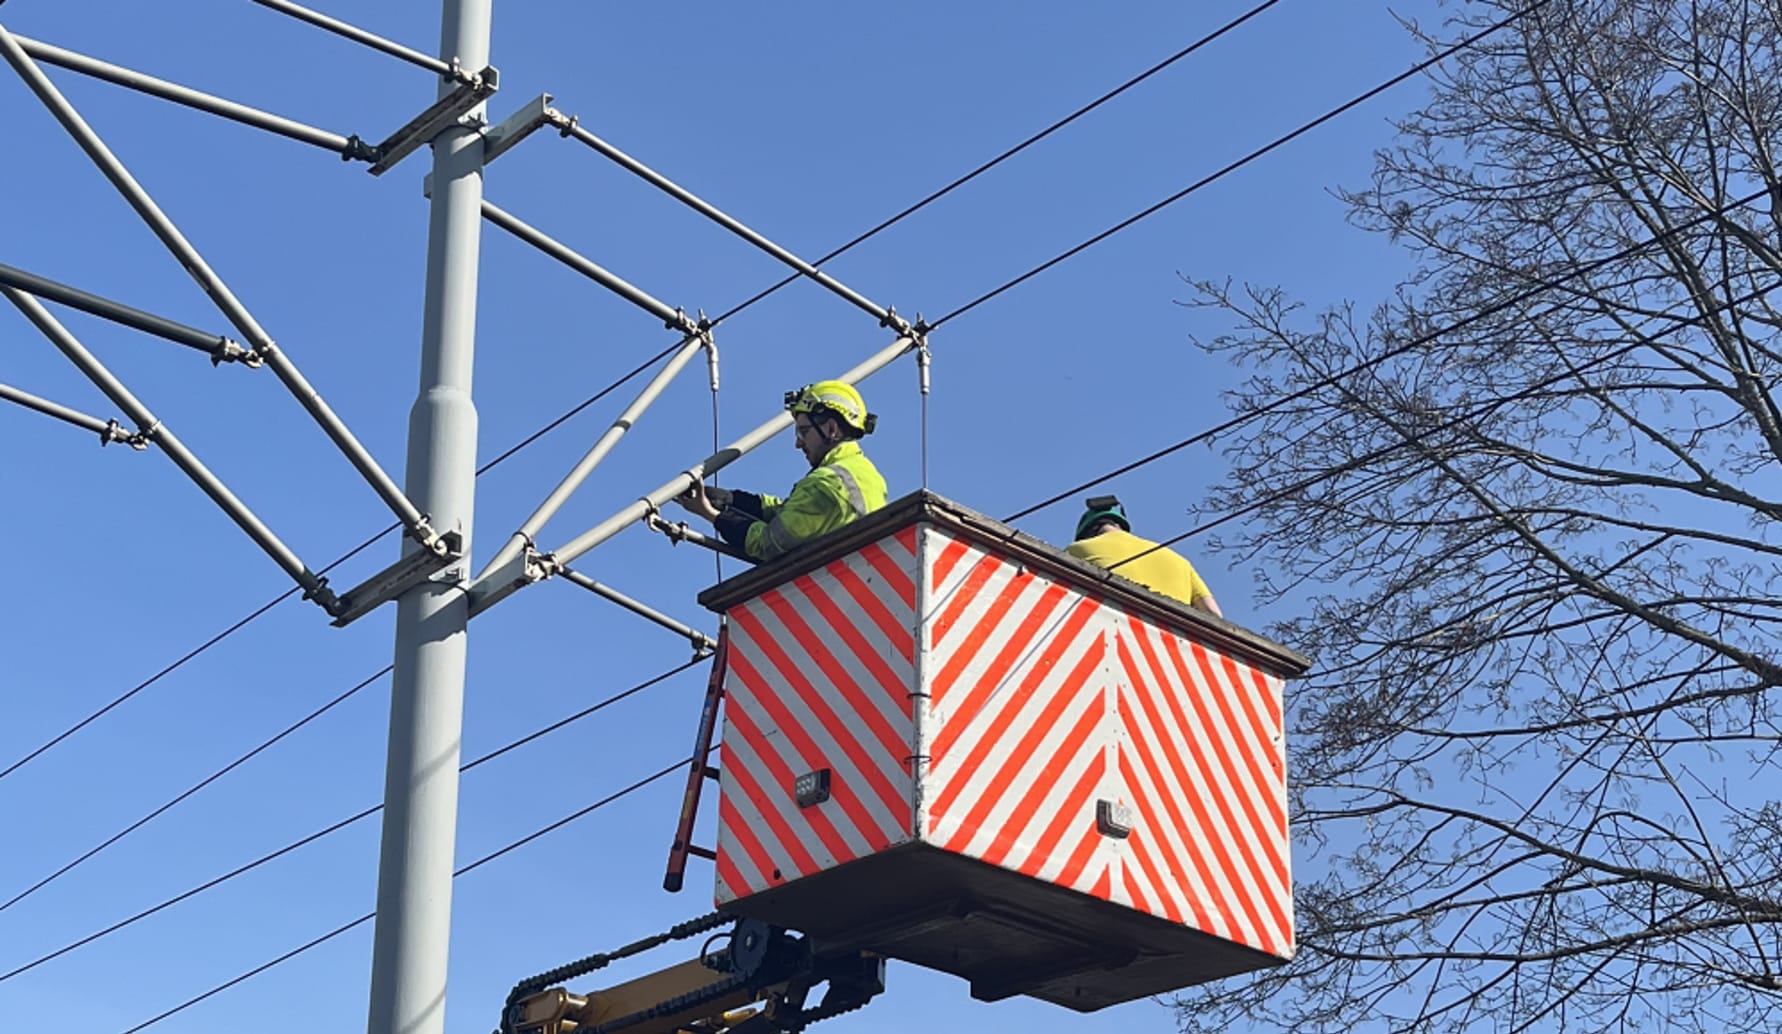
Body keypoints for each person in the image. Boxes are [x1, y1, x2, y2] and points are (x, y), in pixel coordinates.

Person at [676, 380, 887, 562]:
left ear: (831, 429)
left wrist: (708, 513)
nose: (798, 443)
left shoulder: (825, 484)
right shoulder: (865, 474)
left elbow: (768, 543)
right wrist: (730, 500)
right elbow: (788, 511)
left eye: (803, 432)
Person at [1065, 495, 1222, 615]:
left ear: (1088, 533)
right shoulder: (1180, 561)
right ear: (1120, 525)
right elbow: (1213, 614)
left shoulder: (1076, 550)